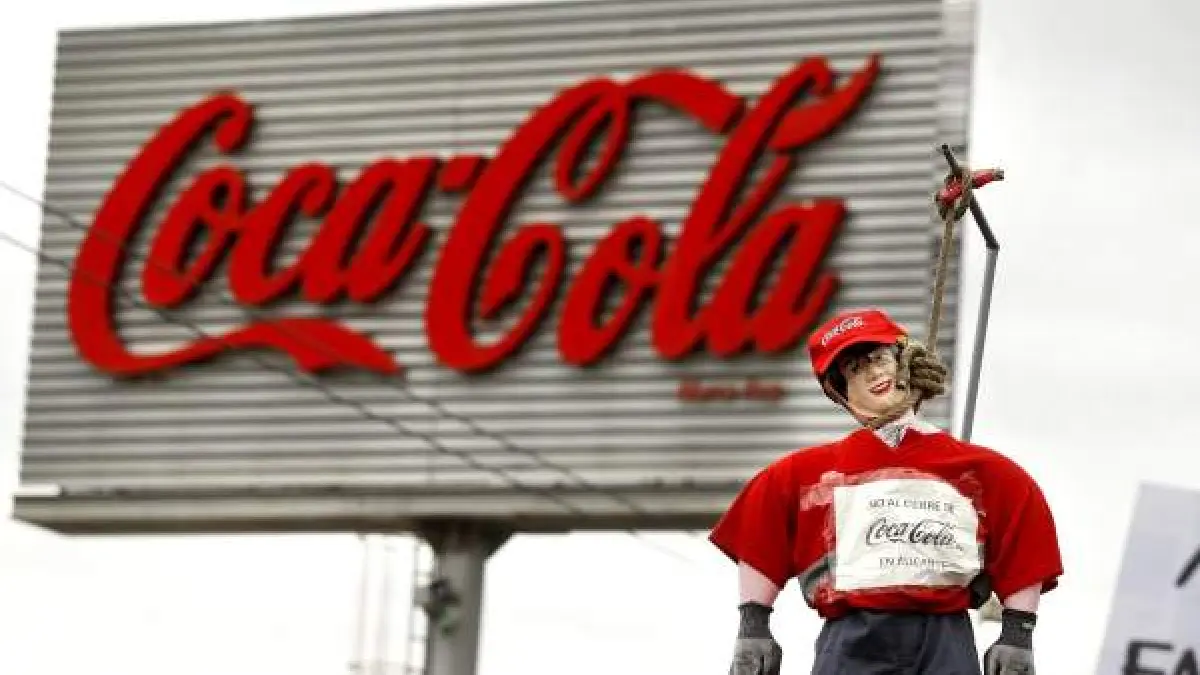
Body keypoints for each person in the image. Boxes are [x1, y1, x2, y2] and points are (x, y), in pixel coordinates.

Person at [710, 308, 1063, 675]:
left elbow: (1025, 541)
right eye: (854, 368)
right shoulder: (800, 475)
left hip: (945, 638)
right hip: (850, 642)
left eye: (879, 358)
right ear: (839, 390)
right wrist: (753, 627)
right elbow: (759, 536)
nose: (873, 373)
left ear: (904, 362)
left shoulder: (985, 472)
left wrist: (1018, 633)